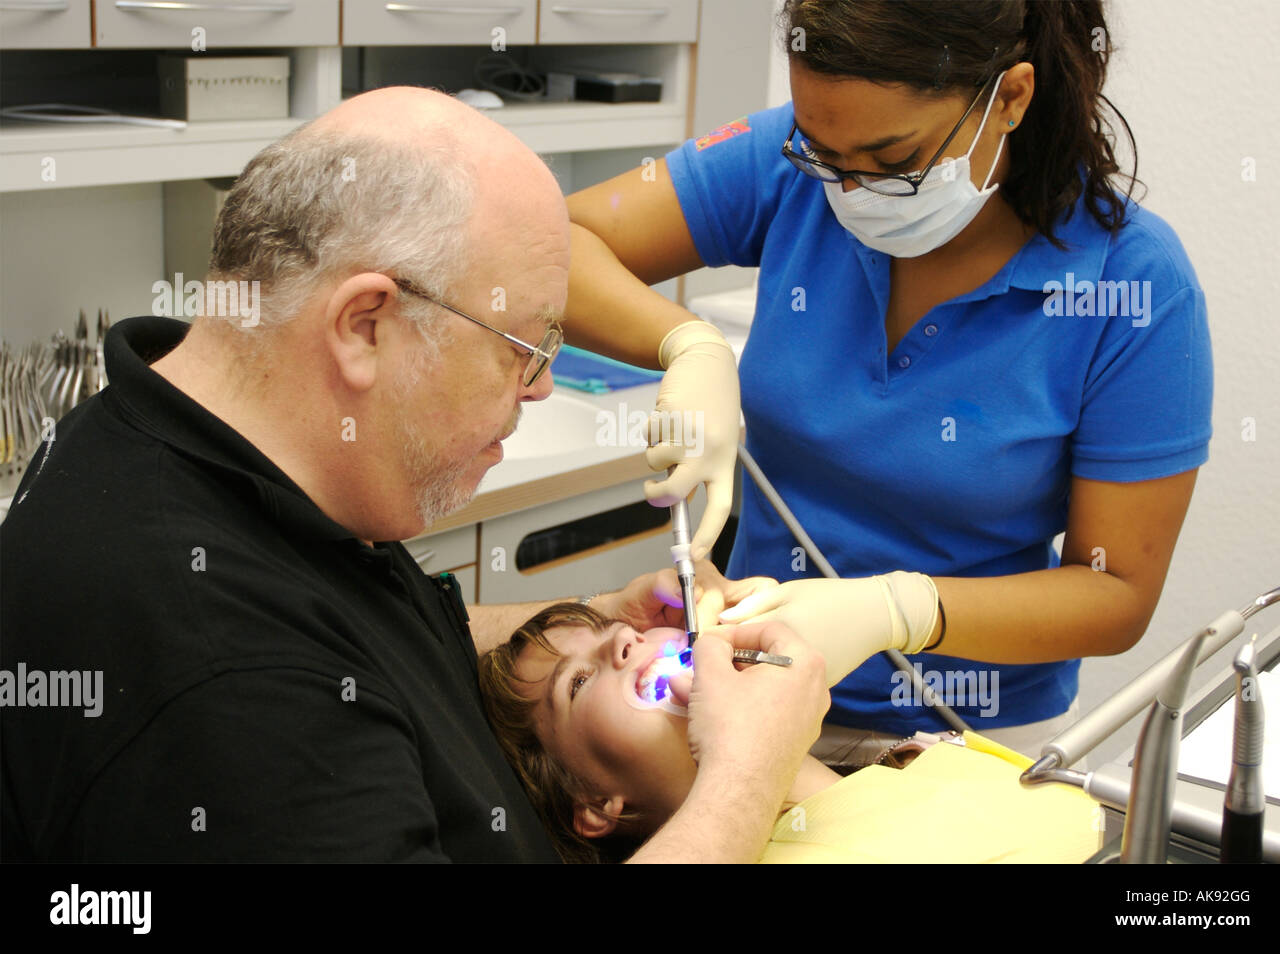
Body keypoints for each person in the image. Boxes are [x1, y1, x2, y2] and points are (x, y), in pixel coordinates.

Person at [0, 86, 828, 863]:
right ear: (365, 323)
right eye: (527, 348)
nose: (541, 387)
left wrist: (577, 621)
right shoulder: (223, 682)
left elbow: (357, 644)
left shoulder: (209, 443)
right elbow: (285, 673)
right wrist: (744, 775)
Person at [559, 0, 1213, 767]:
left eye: (893, 160)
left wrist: (899, 611)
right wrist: (687, 343)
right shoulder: (795, 157)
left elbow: (1117, 595)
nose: (848, 188)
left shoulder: (1132, 287)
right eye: (822, 153)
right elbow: (553, 242)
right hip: (743, 698)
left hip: (965, 739)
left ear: (1009, 98)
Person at [478, 602, 1105, 863]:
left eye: (626, 630)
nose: (623, 637)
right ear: (596, 804)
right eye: (577, 683)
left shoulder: (928, 756)